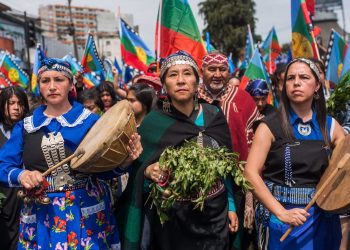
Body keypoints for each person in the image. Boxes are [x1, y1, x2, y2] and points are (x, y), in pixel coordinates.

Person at [0, 58, 142, 249]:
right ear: (39, 86)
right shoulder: (26, 126)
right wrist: (22, 174)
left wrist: (125, 162)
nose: (52, 86)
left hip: (86, 212)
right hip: (42, 215)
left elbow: (104, 171)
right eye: (45, 81)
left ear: (71, 84)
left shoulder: (91, 122)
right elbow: (3, 166)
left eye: (59, 80)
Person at [118, 51, 237, 250]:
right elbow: (138, 173)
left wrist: (232, 206)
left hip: (215, 215)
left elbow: (227, 168)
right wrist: (148, 172)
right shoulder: (154, 123)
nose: (181, 80)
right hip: (172, 219)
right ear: (164, 84)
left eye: (187, 73)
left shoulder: (214, 116)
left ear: (197, 80)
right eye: (173, 75)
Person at [244, 58, 345, 249]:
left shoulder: (331, 127)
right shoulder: (268, 126)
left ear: (317, 86)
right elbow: (250, 173)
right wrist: (281, 213)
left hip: (322, 220)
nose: (296, 82)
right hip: (281, 222)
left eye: (304, 77)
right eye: (291, 78)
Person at [198, 51, 260, 250]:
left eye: (222, 69)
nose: (217, 74)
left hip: (238, 180)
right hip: (199, 181)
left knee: (236, 237)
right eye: (212, 69)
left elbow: (255, 139)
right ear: (202, 71)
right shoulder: (191, 97)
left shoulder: (243, 99)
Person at [0, 86, 29, 250]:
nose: (16, 108)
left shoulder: (30, 130)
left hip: (24, 196)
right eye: (11, 103)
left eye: (19, 103)